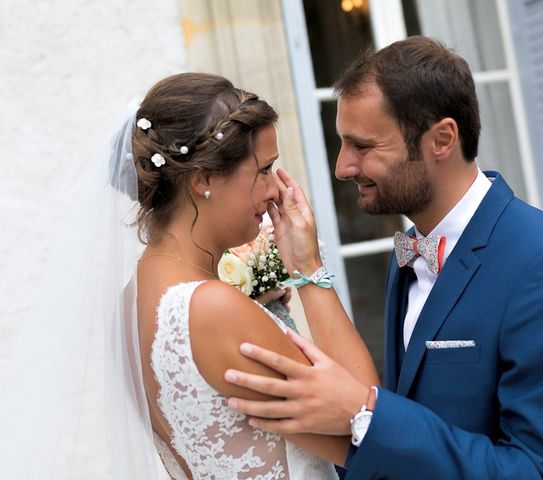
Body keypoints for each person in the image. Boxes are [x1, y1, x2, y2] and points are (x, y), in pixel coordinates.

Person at [222, 36, 543, 479]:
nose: (342, 167)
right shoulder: (410, 253)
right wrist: (306, 267)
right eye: (342, 144)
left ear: (442, 139)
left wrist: (363, 411)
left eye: (363, 146)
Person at [0, 72, 379, 479]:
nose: (277, 191)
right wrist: (307, 269)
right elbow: (371, 429)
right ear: (203, 180)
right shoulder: (213, 308)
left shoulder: (132, 301)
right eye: (265, 170)